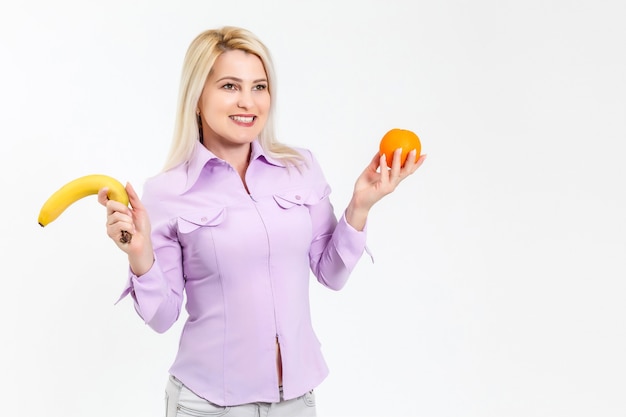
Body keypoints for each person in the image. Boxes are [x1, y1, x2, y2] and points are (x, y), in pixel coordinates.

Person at [98, 26, 426, 417]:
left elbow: (331, 274)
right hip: (208, 404)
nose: (248, 102)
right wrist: (139, 254)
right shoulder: (167, 192)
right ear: (197, 98)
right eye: (230, 86)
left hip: (295, 401)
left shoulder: (299, 168)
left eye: (259, 87)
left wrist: (359, 205)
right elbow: (161, 317)